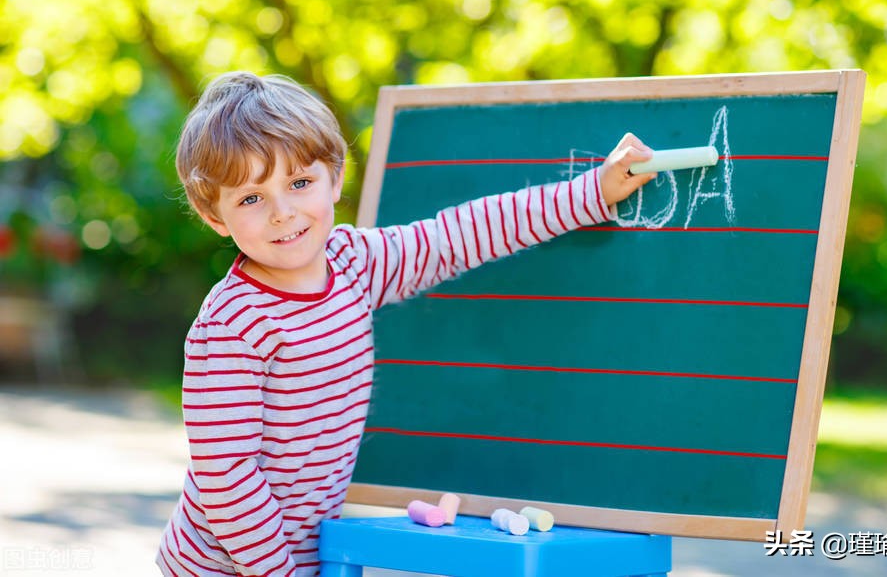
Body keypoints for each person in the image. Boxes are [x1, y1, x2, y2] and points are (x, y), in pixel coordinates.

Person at [156, 71, 657, 576]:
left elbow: (457, 235)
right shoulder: (232, 324)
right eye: (250, 199)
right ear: (214, 215)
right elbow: (227, 479)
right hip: (221, 566)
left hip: (300, 559)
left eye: (299, 183)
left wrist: (590, 192)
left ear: (334, 177)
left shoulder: (353, 264)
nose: (282, 213)